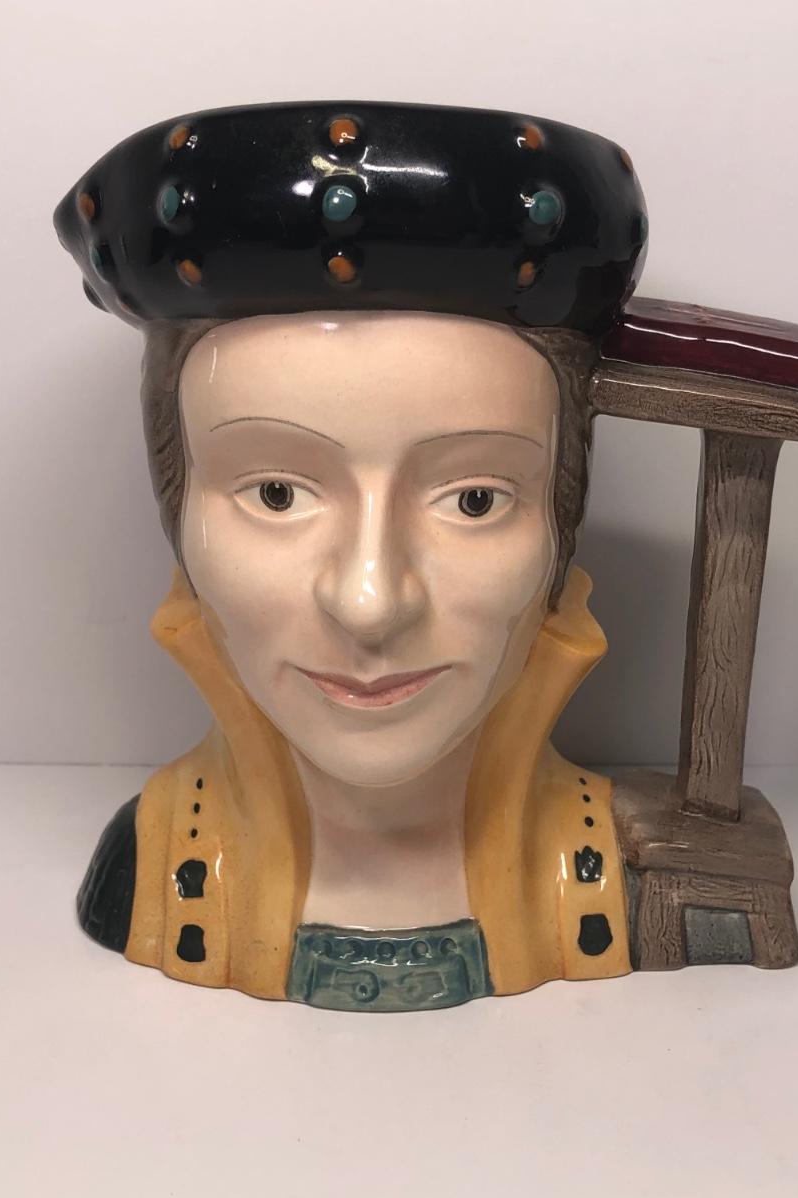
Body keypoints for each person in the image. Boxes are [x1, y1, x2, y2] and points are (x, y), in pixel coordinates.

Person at [54, 101, 649, 1009]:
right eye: (278, 494)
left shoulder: (648, 886)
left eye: (475, 499)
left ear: (559, 527)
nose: (371, 601)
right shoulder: (149, 870)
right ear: (180, 518)